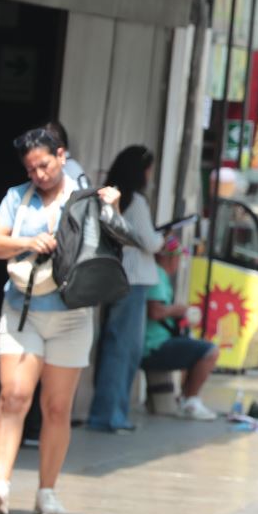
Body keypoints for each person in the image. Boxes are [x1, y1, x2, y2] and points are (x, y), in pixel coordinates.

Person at [0, 127, 122, 514]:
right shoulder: (16, 199)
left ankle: (47, 491)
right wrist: (28, 241)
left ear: (61, 155)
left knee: (57, 407)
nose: (38, 175)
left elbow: (114, 241)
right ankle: (0, 485)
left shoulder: (84, 197)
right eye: (31, 169)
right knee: (13, 397)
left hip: (72, 317)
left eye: (43, 165)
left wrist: (113, 207)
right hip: (22, 311)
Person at [87, 145, 167, 433]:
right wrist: (163, 237)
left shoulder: (112, 196)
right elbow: (150, 242)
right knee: (123, 350)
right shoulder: (137, 202)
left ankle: (110, 413)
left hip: (116, 278)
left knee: (117, 346)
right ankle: (109, 415)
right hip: (131, 281)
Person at [140, 243, 221, 416]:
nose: (178, 262)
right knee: (210, 352)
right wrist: (179, 310)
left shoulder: (159, 275)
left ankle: (185, 397)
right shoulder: (158, 275)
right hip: (153, 345)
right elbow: (155, 311)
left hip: (157, 341)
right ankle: (190, 400)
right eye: (177, 257)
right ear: (168, 257)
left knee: (193, 347)